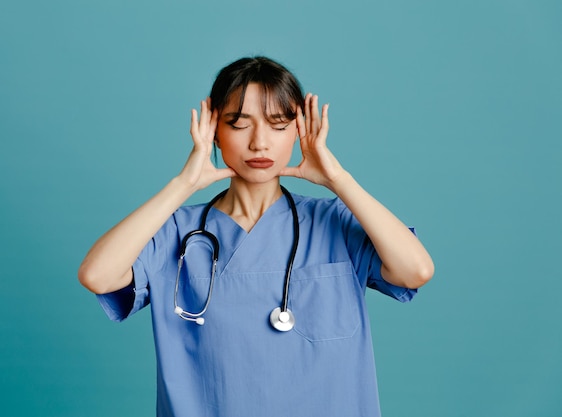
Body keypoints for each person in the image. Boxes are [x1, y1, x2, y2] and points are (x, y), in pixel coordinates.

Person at [78, 56, 434, 417]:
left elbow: (415, 270)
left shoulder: (334, 222)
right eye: (238, 124)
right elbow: (98, 275)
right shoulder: (177, 234)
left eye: (279, 124)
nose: (260, 143)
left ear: (300, 129)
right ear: (213, 128)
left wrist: (337, 179)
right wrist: (183, 184)